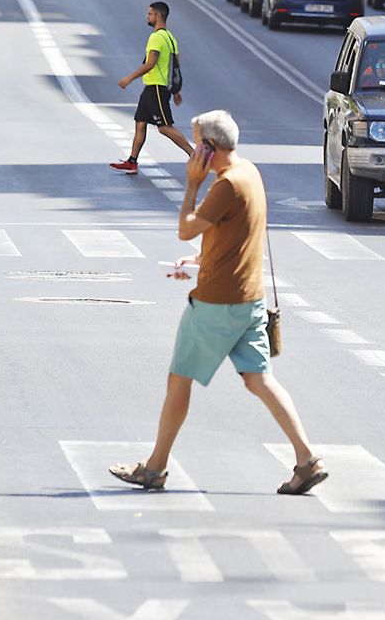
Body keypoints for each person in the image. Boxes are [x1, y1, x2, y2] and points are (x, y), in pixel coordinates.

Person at [109, 110, 327, 496]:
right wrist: (198, 261)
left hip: (216, 303)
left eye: (196, 145)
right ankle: (307, 459)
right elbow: (235, 237)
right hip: (249, 299)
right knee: (259, 379)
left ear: (209, 149)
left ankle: (155, 467)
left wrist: (191, 185)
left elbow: (185, 229)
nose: (192, 152)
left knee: (179, 378)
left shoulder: (224, 185)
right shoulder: (250, 173)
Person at [110, 1, 194, 174]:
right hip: (153, 88)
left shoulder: (156, 37)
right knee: (140, 123)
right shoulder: (170, 38)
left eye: (149, 14)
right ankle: (132, 162)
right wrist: (175, 89)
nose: (147, 17)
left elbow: (150, 64)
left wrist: (129, 78)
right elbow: (174, 65)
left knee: (164, 127)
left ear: (158, 16)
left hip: (156, 88)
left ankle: (195, 155)